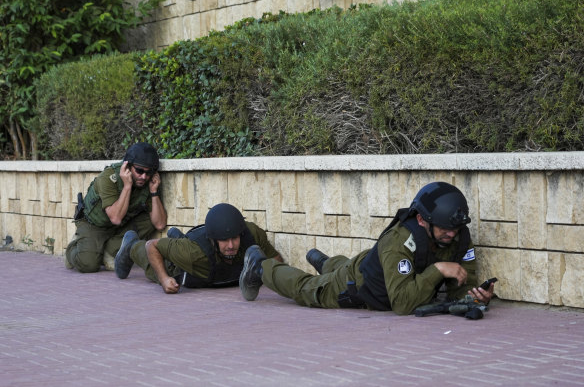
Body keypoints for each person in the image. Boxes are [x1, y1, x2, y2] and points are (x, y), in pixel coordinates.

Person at [239, 181, 495, 315]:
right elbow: (403, 305)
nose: (451, 234)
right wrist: (439, 269)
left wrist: (474, 296)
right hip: (355, 285)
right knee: (307, 289)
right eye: (443, 228)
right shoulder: (399, 241)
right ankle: (260, 266)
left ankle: (327, 263)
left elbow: (461, 286)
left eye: (455, 229)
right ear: (421, 220)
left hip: (374, 266)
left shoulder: (457, 234)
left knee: (348, 266)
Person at [114, 203, 283, 294]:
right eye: (224, 240)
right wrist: (164, 279)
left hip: (191, 254)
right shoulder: (194, 253)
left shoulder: (253, 235)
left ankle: (177, 238)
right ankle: (130, 246)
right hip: (178, 267)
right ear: (214, 240)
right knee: (154, 266)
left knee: (179, 247)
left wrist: (269, 274)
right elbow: (152, 246)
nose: (231, 246)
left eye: (235, 238)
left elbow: (276, 260)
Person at [65, 142, 167, 273]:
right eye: (139, 171)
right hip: (95, 225)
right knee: (88, 264)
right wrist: (127, 186)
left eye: (149, 173)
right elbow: (116, 218)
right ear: (128, 167)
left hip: (119, 225)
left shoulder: (149, 182)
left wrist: (154, 192)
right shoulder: (108, 178)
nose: (144, 177)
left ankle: (108, 252)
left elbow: (159, 224)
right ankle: (72, 250)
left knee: (149, 220)